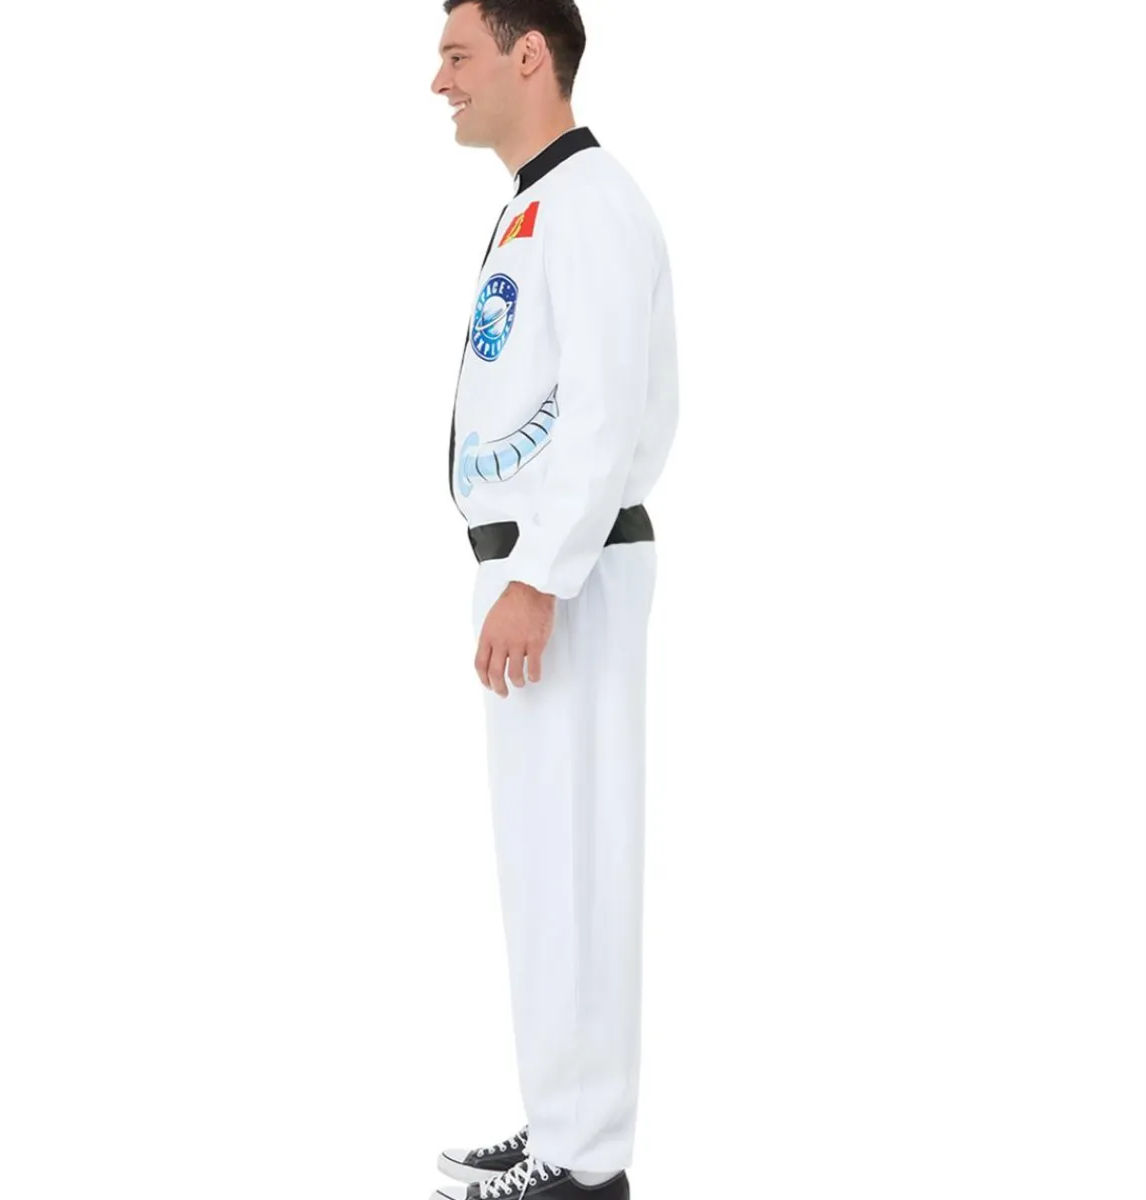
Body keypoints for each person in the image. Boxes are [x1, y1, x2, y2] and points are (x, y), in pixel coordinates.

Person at [428, 3, 678, 1197]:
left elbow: (606, 406)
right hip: (534, 567)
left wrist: (537, 575)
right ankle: (561, 1126)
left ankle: (590, 1164)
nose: (439, 82)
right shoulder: (538, 204)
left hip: (564, 572)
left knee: (576, 855)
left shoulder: (591, 204)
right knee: (540, 862)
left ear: (530, 55)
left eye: (457, 54)